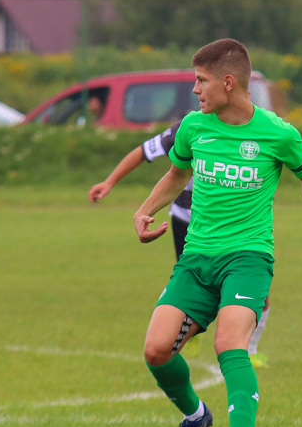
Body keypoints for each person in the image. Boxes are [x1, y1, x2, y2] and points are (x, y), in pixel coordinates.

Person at [134, 38, 302, 427]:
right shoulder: (196, 127)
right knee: (156, 351)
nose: (195, 90)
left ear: (228, 83)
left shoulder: (278, 133)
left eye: (201, 81)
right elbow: (176, 174)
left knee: (229, 343)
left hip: (248, 259)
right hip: (196, 260)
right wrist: (144, 210)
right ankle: (196, 417)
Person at [88, 121, 273, 368]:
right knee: (193, 287)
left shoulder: (258, 130)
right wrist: (109, 182)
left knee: (259, 293)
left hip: (236, 228)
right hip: (188, 222)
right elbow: (143, 151)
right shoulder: (188, 127)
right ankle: (189, 334)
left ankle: (250, 350)